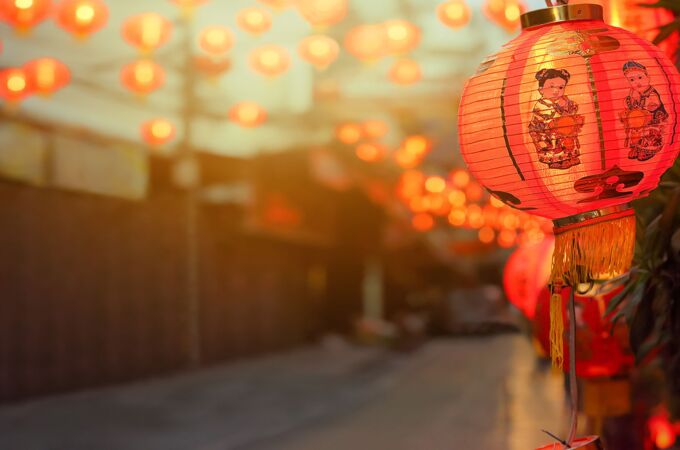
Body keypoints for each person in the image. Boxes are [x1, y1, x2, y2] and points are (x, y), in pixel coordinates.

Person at [529, 68, 585, 170]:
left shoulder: (565, 100)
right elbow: (546, 120)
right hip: (547, 132)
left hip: (564, 129)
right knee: (554, 147)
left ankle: (569, 158)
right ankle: (556, 162)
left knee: (568, 142)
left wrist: (572, 114)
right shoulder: (541, 104)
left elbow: (573, 109)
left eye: (560, 87)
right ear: (541, 90)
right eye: (551, 87)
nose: (556, 91)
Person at [620, 60, 668, 161]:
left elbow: (654, 104)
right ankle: (636, 148)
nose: (637, 82)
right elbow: (630, 104)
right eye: (632, 80)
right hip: (640, 121)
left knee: (649, 134)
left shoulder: (651, 92)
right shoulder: (633, 92)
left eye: (640, 77)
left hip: (654, 120)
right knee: (634, 131)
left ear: (648, 77)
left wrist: (647, 106)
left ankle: (648, 150)